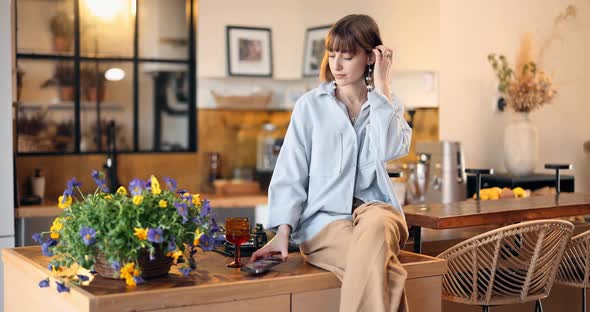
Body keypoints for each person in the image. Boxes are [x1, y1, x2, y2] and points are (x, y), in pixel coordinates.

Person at [250, 14, 412, 312]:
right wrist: (282, 233)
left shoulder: (388, 103)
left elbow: (391, 148)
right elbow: (290, 170)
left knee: (376, 224)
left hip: (377, 212)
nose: (336, 65)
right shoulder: (310, 106)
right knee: (385, 272)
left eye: (347, 56)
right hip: (325, 223)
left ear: (370, 56)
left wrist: (382, 86)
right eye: (332, 54)